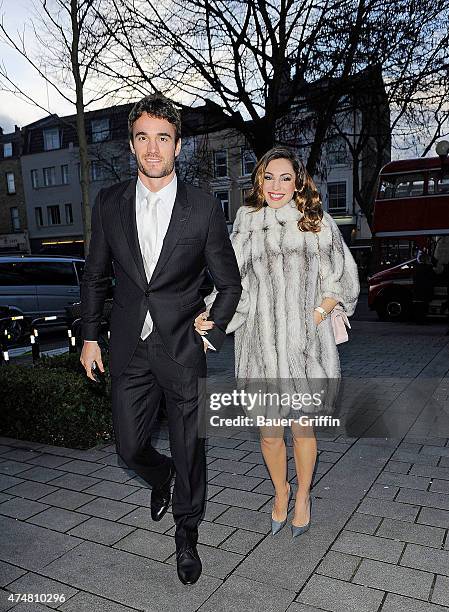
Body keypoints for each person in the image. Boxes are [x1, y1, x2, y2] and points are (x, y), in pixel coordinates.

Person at [80, 94, 242, 584]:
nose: (153, 148)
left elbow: (229, 282)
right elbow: (94, 276)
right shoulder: (109, 202)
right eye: (143, 137)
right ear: (132, 145)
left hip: (181, 348)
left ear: (179, 145)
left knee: (189, 446)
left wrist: (212, 320)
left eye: (164, 138)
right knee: (129, 448)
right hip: (129, 346)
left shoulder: (202, 207)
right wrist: (90, 337)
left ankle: (186, 534)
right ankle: (160, 475)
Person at [195, 146, 359, 537]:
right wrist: (213, 317)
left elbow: (345, 279)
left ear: (298, 182)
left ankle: (303, 495)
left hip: (306, 349)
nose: (276, 186)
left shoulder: (317, 223)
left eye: (286, 178)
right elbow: (235, 287)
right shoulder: (247, 222)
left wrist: (319, 313)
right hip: (259, 348)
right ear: (258, 180)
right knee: (269, 434)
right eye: (269, 177)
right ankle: (280, 490)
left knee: (303, 430)